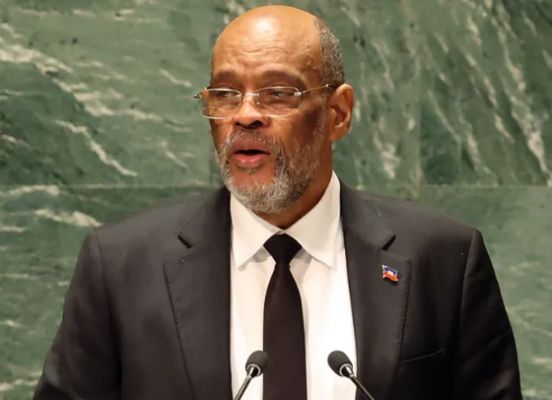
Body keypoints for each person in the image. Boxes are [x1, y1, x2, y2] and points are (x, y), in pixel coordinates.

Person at [33, 5, 522, 400]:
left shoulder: (442, 259)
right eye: (226, 94)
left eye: (277, 93)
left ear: (337, 113)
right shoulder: (121, 266)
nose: (245, 115)